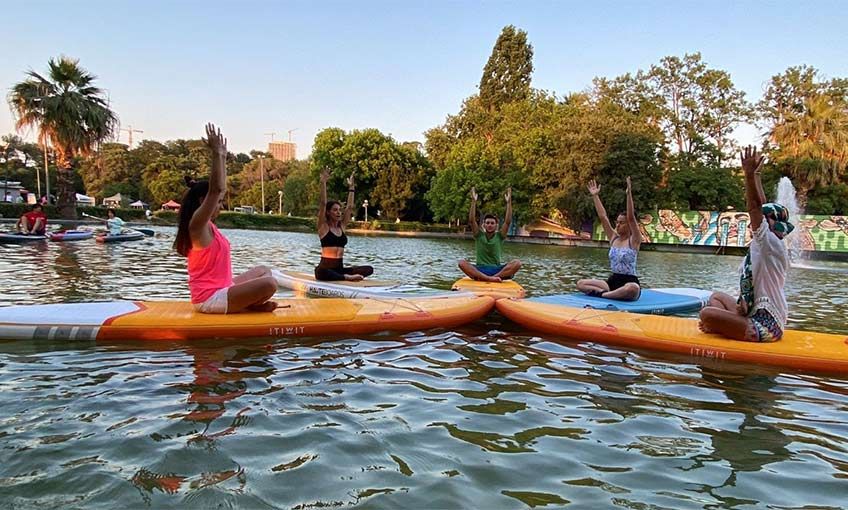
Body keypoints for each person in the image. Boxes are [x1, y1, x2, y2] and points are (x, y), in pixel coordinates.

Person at [173, 123, 277, 314]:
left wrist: (223, 155)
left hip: (223, 288)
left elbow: (221, 188)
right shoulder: (197, 225)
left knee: (264, 271)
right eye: (217, 202)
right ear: (203, 201)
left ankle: (248, 304)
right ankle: (248, 306)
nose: (220, 205)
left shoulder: (210, 225)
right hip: (208, 299)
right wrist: (217, 154)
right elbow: (217, 188)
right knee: (270, 283)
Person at [699, 146, 791, 342]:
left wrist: (748, 176)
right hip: (753, 312)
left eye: (766, 219)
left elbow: (756, 207)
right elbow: (762, 204)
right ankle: (720, 325)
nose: (758, 221)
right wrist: (756, 175)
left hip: (768, 325)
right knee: (716, 297)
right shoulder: (764, 242)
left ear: (773, 223)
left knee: (707, 314)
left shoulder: (771, 244)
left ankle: (716, 325)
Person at [577, 176, 642, 300]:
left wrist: (629, 194)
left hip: (629, 282)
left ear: (628, 225)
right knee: (581, 284)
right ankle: (608, 294)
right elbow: (603, 217)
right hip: (612, 281)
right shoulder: (613, 238)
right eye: (617, 222)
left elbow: (631, 217)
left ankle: (603, 295)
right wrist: (595, 196)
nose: (617, 225)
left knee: (632, 289)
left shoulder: (634, 240)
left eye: (621, 223)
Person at [314, 167, 373, 281]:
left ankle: (343, 276)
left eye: (339, 210)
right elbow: (323, 203)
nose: (339, 212)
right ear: (328, 212)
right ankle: (346, 278)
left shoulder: (342, 226)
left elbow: (350, 207)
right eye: (335, 210)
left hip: (339, 269)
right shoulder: (323, 227)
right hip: (325, 269)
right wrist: (323, 182)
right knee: (321, 272)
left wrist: (351, 187)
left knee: (369, 269)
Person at [458, 187, 522, 282]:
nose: (489, 225)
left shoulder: (499, 236)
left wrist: (509, 203)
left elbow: (508, 222)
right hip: (480, 270)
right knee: (461, 263)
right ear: (483, 225)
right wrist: (473, 201)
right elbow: (472, 221)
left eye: (492, 223)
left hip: (496, 269)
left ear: (496, 225)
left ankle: (494, 277)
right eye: (487, 223)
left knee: (517, 263)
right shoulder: (479, 235)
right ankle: (490, 279)